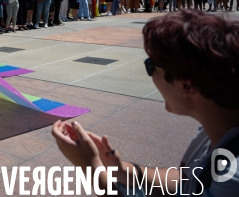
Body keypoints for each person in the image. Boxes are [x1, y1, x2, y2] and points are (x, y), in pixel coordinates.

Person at [52, 10, 239, 196]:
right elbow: (187, 180)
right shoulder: (214, 130)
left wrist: (90, 166)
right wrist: (120, 168)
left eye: (151, 66)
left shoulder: (232, 178)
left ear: (186, 85)